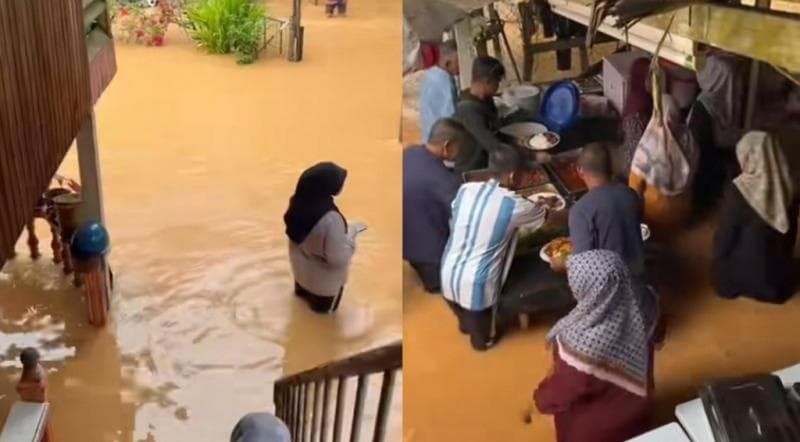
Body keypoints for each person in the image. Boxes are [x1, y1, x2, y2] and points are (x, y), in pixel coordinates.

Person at [534, 250, 658, 442]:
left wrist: (542, 399)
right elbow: (658, 333)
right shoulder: (644, 300)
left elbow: (565, 389)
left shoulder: (583, 342)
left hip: (598, 428)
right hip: (637, 405)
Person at [441, 147, 546, 350]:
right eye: (524, 175)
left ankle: (466, 326)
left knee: (465, 319)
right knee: (482, 337)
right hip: (476, 284)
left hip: (448, 271)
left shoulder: (466, 189)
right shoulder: (516, 205)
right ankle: (483, 341)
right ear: (514, 176)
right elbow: (546, 218)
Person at [713, 131, 798, 304]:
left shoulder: (739, 191)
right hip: (775, 284)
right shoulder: (788, 187)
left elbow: (724, 240)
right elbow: (790, 237)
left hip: (739, 279)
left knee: (720, 264)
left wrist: (717, 256)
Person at [552, 143, 645, 277]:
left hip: (610, 284)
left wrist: (562, 263)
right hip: (638, 276)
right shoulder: (630, 194)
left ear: (580, 171)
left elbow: (582, 266)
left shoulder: (581, 210)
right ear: (611, 169)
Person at [284, 162, 365, 314]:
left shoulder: (296, 202)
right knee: (325, 324)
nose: (341, 185)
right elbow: (338, 259)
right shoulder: (331, 219)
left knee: (299, 314)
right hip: (323, 287)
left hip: (300, 276)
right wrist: (351, 235)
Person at [403, 118, 469, 293]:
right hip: (426, 249)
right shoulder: (444, 181)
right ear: (447, 146)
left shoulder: (410, 152)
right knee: (440, 286)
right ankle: (433, 283)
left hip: (401, 235)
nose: (460, 153)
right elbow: (465, 217)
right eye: (459, 148)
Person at [629, 94, 699, 232]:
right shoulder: (689, 138)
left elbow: (633, 188)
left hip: (656, 217)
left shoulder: (649, 144)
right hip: (683, 212)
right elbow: (695, 169)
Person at [688, 53, 744, 208]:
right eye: (735, 81)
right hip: (709, 170)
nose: (739, 88)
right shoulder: (719, 101)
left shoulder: (711, 102)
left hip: (706, 171)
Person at [453, 56, 516, 173]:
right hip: (473, 169)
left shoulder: (486, 97)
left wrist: (516, 140)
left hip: (487, 162)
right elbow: (494, 146)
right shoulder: (468, 109)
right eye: (497, 81)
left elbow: (495, 129)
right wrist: (530, 157)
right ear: (487, 81)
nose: (498, 86)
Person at [419, 41, 460, 143]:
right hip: (442, 140)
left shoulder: (431, 74)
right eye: (458, 63)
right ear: (448, 63)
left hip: (428, 134)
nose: (460, 67)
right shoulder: (446, 82)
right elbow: (451, 116)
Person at [619, 57, 653, 177]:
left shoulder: (638, 96)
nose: (654, 81)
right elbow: (634, 150)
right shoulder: (638, 109)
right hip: (634, 172)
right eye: (650, 77)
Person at [17, 347, 52, 442]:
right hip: (31, 406)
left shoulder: (38, 373)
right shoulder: (28, 370)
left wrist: (23, 386)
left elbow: (41, 385)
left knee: (42, 431)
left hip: (38, 407)